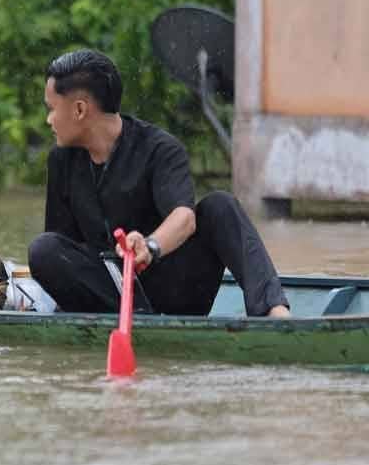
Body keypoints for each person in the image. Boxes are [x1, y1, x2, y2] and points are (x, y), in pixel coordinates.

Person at [27, 49, 290, 318]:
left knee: (220, 206)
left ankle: (274, 312)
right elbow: (62, 246)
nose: (49, 120)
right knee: (43, 249)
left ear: (80, 110)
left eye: (52, 109)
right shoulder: (62, 159)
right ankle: (131, 316)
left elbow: (184, 218)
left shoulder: (159, 148)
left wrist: (149, 247)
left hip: (172, 290)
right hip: (110, 298)